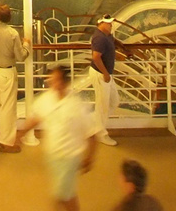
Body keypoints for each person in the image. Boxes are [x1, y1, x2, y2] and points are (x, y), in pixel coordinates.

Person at [18, 63, 98, 211]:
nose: (50, 82)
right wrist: (21, 133)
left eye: (54, 79)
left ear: (64, 82)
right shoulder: (47, 99)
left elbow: (91, 133)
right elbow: (37, 118)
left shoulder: (76, 104)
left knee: (62, 194)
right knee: (66, 192)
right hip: (53, 155)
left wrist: (90, 157)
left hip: (69, 156)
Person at [0, 3, 29, 151]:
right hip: (5, 72)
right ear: (9, 18)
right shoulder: (12, 34)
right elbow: (21, 56)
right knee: (7, 108)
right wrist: (26, 45)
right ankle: (6, 142)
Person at [90, 15, 120, 146]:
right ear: (100, 24)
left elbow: (113, 40)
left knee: (114, 101)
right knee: (103, 105)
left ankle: (95, 126)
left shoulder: (107, 35)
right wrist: (105, 73)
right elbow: (96, 57)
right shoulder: (99, 38)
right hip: (101, 74)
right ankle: (100, 133)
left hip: (106, 74)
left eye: (111, 23)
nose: (111, 25)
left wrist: (121, 45)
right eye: (108, 23)